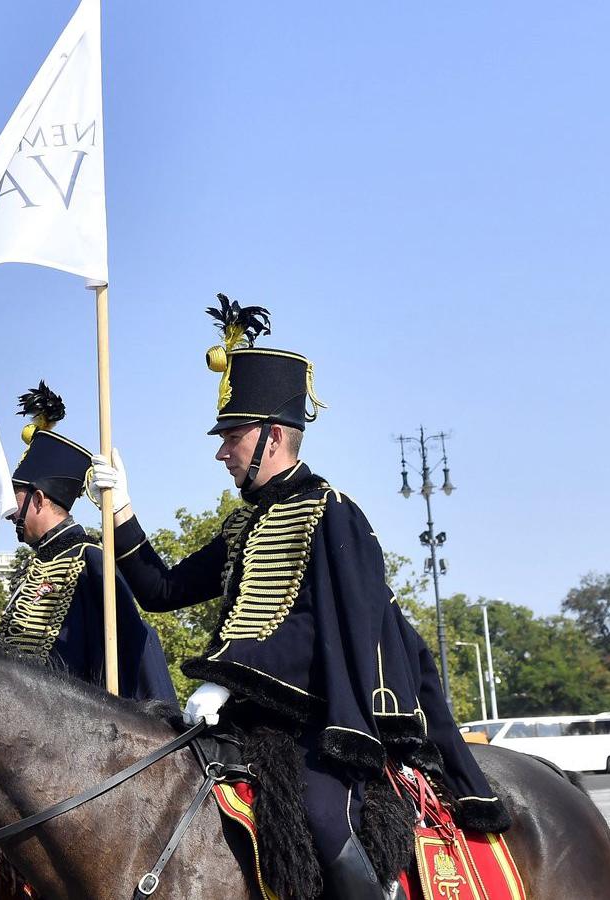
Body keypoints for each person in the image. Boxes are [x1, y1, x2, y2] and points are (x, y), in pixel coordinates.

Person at [87, 297, 508, 899]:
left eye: (232, 435)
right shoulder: (243, 526)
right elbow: (162, 590)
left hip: (318, 719)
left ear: (273, 436)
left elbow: (335, 630)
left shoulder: (332, 514)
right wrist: (121, 508)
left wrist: (233, 675)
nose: (221, 450)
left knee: (320, 815)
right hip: (244, 716)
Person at [0, 382, 176, 702]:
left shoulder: (91, 559)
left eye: (17, 499)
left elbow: (134, 646)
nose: (10, 513)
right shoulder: (40, 564)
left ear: (38, 499)